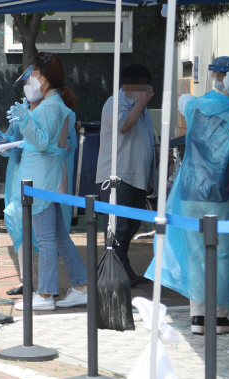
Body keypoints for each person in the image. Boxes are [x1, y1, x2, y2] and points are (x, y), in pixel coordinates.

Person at [147, 64, 229, 335]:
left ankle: (198, 317)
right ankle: (217, 317)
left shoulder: (197, 106)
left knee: (195, 255)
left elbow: (184, 102)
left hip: (189, 191)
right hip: (220, 194)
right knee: (220, 255)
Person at [5, 52, 87, 311]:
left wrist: (25, 119)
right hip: (46, 178)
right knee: (59, 236)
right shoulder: (54, 105)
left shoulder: (51, 107)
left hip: (41, 181)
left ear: (45, 78)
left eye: (34, 76)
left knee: (46, 238)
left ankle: (45, 294)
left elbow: (41, 142)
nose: (30, 80)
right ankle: (82, 285)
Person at [96, 64, 156, 285]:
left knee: (130, 225)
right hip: (117, 176)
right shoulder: (116, 102)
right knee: (118, 227)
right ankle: (113, 275)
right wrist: (141, 101)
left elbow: (148, 135)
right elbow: (124, 126)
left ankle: (122, 268)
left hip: (137, 176)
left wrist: (158, 151)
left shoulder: (140, 106)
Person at [0, 93, 42, 296]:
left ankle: (48, 284)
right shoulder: (21, 112)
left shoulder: (50, 111)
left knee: (45, 232)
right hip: (18, 175)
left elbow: (61, 145)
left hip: (41, 176)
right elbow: (7, 146)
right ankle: (26, 281)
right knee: (20, 231)